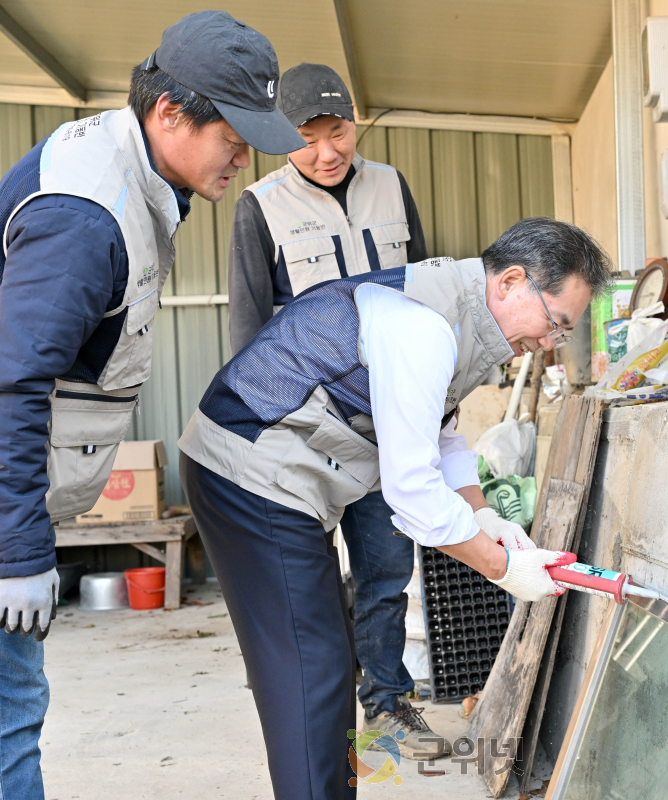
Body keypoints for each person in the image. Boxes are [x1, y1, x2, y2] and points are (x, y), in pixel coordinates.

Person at [0, 12, 304, 799]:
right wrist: (18, 553)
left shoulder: (137, 160)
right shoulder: (82, 222)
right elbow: (9, 389)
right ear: (169, 113)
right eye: (234, 135)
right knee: (5, 709)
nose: (244, 157)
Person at [179, 216, 611, 798]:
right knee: (313, 673)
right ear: (511, 281)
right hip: (246, 471)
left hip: (285, 479)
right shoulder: (424, 328)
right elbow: (410, 490)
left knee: (327, 668)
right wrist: (503, 568)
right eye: (556, 324)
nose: (549, 341)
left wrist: (482, 516)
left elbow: (444, 434)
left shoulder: (461, 315)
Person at [225, 62, 443, 756]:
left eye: (338, 131)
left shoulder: (390, 187)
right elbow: (248, 328)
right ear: (278, 138)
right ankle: (321, 715)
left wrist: (438, 397)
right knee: (310, 580)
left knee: (386, 567)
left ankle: (387, 702)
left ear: (355, 123)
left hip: (387, 422)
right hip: (307, 431)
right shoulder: (259, 207)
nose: (327, 152)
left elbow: (428, 292)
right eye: (308, 137)